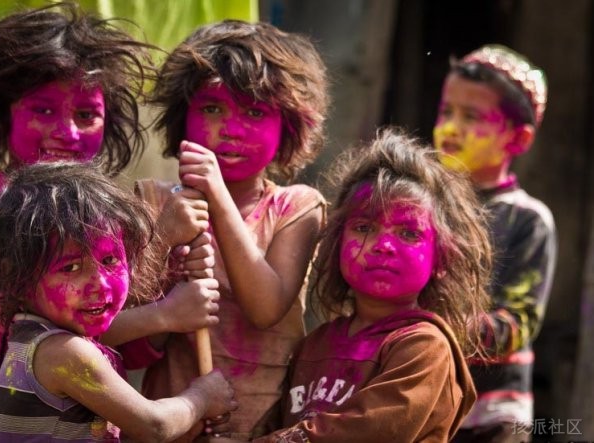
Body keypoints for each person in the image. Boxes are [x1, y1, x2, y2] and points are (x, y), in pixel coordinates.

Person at [0, 3, 218, 441]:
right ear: (1, 118)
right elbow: (55, 329)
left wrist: (167, 271)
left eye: (86, 115)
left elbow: (113, 333)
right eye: (44, 110)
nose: (68, 133)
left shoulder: (96, 212)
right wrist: (164, 292)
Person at [137, 19, 330, 440]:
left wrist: (217, 197)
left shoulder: (296, 207)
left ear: (289, 128)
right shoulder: (152, 203)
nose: (231, 127)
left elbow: (266, 307)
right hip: (170, 420)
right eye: (211, 108)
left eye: (256, 112)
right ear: (180, 117)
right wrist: (165, 247)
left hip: (263, 424)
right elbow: (123, 332)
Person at [240, 128, 491, 442]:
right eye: (364, 227)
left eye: (409, 233)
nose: (383, 245)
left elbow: (363, 433)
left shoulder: (423, 347)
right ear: (335, 244)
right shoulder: (315, 344)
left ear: (441, 259)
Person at [0, 161, 237, 442]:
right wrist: (202, 399)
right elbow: (153, 426)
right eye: (70, 268)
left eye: (110, 260)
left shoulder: (41, 337)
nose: (100, 284)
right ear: (19, 280)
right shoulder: (63, 353)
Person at [433, 44, 557, 442]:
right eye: (446, 112)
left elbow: (519, 322)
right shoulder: (418, 204)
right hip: (423, 401)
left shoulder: (528, 219)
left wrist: (428, 327)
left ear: (517, 139)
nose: (451, 127)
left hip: (491, 417)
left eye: (472, 117)